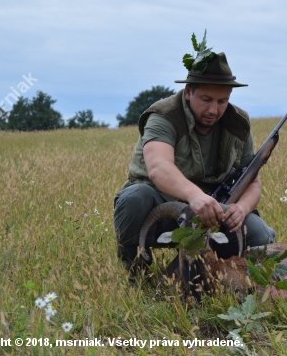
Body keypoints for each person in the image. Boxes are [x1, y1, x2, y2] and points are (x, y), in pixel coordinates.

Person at [113, 48, 276, 275]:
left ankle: (220, 273)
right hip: (162, 210)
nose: (214, 109)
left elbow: (251, 180)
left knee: (260, 234)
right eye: (206, 99)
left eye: (222, 101)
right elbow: (159, 167)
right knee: (134, 198)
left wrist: (241, 208)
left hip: (214, 213)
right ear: (188, 92)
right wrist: (195, 196)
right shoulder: (163, 116)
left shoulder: (238, 123)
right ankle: (135, 272)